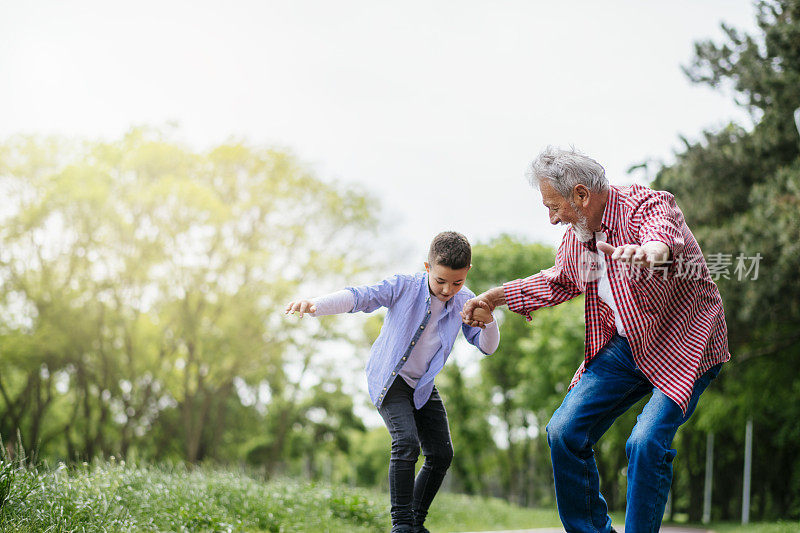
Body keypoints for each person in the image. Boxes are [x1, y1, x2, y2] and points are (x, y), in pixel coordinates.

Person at [461, 147, 729, 533]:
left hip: (686, 340)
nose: (552, 219)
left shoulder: (646, 204)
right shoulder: (577, 239)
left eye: (554, 207)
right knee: (564, 432)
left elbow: (663, 239)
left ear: (582, 195)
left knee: (645, 443)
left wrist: (649, 254)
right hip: (626, 348)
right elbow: (557, 281)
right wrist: (493, 297)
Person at [286, 231, 499, 533]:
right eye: (440, 281)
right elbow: (360, 297)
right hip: (391, 379)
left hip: (422, 385)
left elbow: (488, 347)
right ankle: (401, 525)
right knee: (406, 442)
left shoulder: (466, 302)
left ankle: (416, 522)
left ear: (467, 274)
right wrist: (315, 304)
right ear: (427, 267)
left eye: (457, 282)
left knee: (441, 454)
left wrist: (489, 320)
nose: (448, 290)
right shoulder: (403, 286)